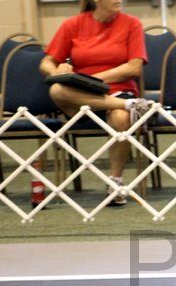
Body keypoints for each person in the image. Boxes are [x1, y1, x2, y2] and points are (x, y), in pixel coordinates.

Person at [39, 0, 148, 206]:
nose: (119, 0)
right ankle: (126, 105)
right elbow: (46, 62)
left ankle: (115, 184)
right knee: (56, 89)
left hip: (118, 89)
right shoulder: (72, 24)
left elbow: (134, 68)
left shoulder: (131, 24)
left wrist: (92, 80)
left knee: (121, 118)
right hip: (81, 96)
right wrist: (58, 73)